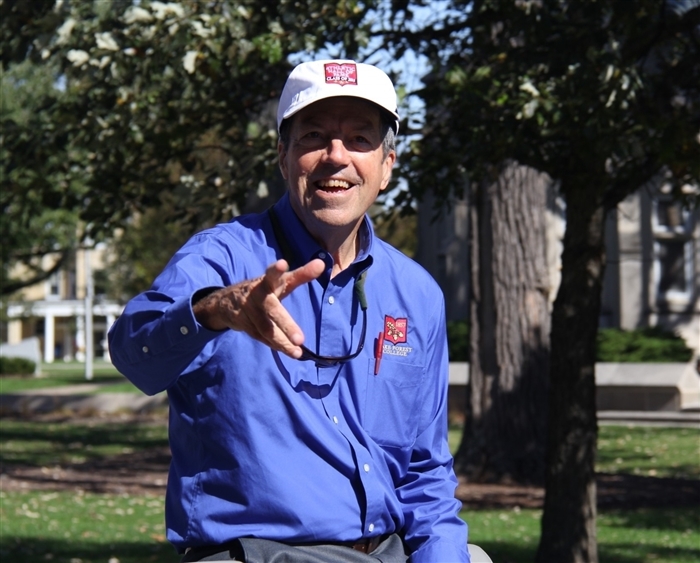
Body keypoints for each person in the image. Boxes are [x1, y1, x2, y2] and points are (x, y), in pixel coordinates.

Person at [108, 59, 470, 563]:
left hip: (389, 552)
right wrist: (216, 310)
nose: (336, 157)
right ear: (283, 156)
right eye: (315, 136)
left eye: (360, 139)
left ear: (387, 166)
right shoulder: (221, 257)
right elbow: (134, 353)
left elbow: (426, 474)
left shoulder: (418, 293)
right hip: (256, 553)